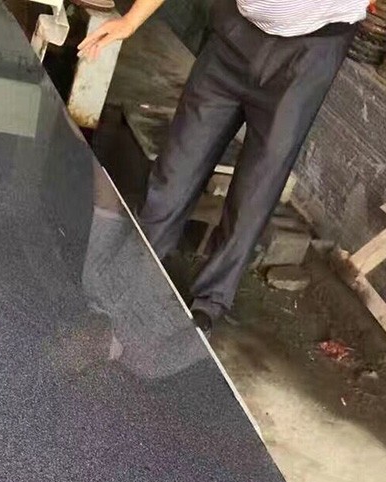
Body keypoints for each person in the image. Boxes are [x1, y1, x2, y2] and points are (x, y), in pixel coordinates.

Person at [79, 0, 367, 336]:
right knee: (175, 170)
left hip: (310, 51)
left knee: (256, 191)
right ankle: (135, 271)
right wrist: (131, 20)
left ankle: (211, 301)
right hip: (236, 33)